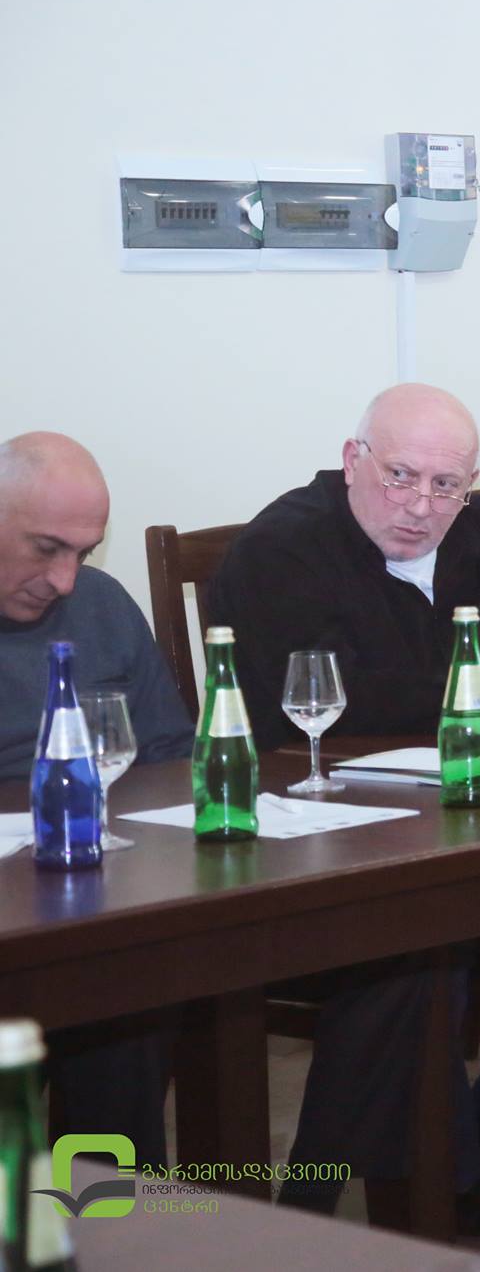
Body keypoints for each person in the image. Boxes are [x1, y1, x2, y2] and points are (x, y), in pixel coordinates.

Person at [206, 383, 480, 1224]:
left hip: (474, 812)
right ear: (353, 460)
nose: (420, 506)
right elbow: (324, 704)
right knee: (423, 933)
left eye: (447, 485)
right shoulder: (283, 548)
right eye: (400, 476)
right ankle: (373, 1191)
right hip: (320, 828)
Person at [0, 432, 187, 1167]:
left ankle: (110, 1208)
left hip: (90, 896)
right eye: (46, 548)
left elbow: (169, 756)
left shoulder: (102, 605)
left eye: (83, 552)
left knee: (131, 985)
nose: (65, 579)